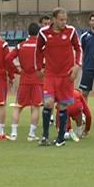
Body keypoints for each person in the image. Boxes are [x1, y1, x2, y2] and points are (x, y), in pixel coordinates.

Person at [35, 8, 83, 147]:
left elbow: (78, 48)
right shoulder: (44, 33)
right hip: (50, 74)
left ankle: (61, 138)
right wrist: (39, 67)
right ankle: (45, 136)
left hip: (66, 76)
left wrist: (77, 66)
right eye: (61, 20)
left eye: (65, 20)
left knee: (62, 106)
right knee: (48, 102)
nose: (64, 22)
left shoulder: (71, 31)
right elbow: (38, 51)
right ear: (54, 20)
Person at [5, 22, 43, 142]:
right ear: (39, 32)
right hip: (37, 79)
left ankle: (13, 134)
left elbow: (7, 59)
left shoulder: (21, 45)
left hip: (24, 79)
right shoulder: (41, 46)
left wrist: (16, 70)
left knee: (18, 107)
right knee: (36, 107)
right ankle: (31, 134)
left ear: (28, 32)